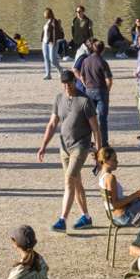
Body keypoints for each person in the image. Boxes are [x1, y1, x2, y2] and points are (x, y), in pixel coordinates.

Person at [37, 69, 102, 232]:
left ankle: (62, 219)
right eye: (64, 83)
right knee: (76, 182)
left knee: (69, 179)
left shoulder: (85, 101)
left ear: (75, 82)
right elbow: (52, 124)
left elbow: (96, 129)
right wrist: (43, 145)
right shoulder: (59, 99)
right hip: (64, 147)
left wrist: (99, 152)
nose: (67, 86)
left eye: (69, 83)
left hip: (80, 146)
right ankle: (86, 217)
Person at [97, 146, 140, 224]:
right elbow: (115, 204)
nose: (117, 162)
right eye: (114, 160)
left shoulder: (102, 176)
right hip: (124, 217)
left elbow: (114, 201)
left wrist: (137, 196)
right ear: (105, 161)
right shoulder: (110, 178)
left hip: (116, 215)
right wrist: (136, 194)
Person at [78, 39, 113, 147]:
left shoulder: (86, 61)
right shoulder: (103, 62)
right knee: (102, 119)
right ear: (103, 50)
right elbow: (109, 80)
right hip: (101, 90)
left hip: (89, 90)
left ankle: (88, 141)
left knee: (89, 118)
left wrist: (86, 85)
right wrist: (107, 90)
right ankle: (104, 142)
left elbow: (81, 76)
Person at [42, 7, 63, 80]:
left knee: (52, 59)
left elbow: (55, 33)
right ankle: (48, 74)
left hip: (52, 43)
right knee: (46, 58)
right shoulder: (47, 21)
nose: (43, 14)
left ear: (48, 13)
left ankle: (60, 70)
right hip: (45, 42)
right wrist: (42, 40)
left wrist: (53, 42)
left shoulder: (54, 22)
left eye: (44, 13)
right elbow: (45, 32)